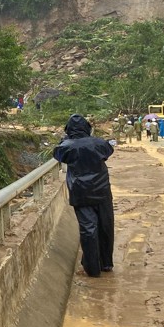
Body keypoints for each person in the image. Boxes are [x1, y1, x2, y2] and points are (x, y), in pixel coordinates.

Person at [53, 114, 115, 277]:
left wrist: (65, 140)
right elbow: (109, 151)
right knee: (105, 225)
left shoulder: (66, 146)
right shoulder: (99, 143)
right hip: (102, 190)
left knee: (88, 228)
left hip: (80, 191)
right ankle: (106, 263)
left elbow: (57, 155)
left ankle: (92, 268)